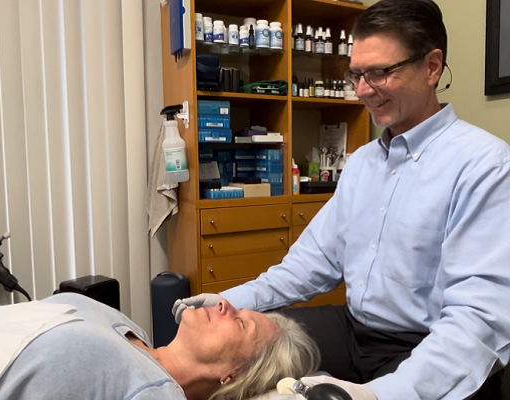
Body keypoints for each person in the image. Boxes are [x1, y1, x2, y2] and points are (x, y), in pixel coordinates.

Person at [173, 1, 510, 399]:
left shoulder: (483, 165)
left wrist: (378, 395)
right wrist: (226, 302)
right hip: (354, 330)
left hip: (426, 344)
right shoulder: (364, 162)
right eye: (356, 74)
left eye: (380, 72)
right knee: (235, 353)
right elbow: (309, 264)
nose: (363, 89)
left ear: (432, 67)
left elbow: (477, 322)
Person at [0, 292, 319, 400]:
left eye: (243, 323)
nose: (224, 303)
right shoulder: (125, 327)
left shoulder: (149, 392)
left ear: (234, 375)